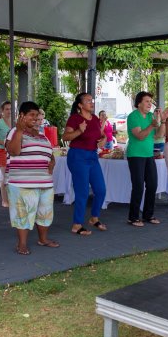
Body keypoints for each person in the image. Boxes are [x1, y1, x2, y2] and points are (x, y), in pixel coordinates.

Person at [4, 101, 59, 255]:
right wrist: (19, 130)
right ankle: (21, 244)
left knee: (45, 213)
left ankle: (43, 239)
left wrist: (52, 161)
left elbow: (49, 153)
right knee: (22, 214)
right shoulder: (14, 132)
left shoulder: (42, 135)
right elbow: (13, 151)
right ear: (22, 116)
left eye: (37, 115)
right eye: (31, 115)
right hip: (22, 183)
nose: (35, 118)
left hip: (45, 183)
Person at [62, 93, 107, 236]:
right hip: (78, 156)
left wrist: (104, 138)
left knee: (101, 190)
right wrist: (79, 131)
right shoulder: (75, 118)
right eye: (88, 101)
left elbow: (100, 135)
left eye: (92, 100)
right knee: (82, 192)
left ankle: (94, 218)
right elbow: (65, 137)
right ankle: (77, 224)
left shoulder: (95, 119)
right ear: (80, 105)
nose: (91, 103)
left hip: (92, 156)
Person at [127, 91, 161, 227]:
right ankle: (133, 217)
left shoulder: (151, 116)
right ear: (139, 103)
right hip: (135, 155)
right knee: (138, 186)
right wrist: (152, 125)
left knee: (152, 185)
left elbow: (159, 135)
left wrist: (162, 121)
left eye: (150, 102)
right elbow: (140, 136)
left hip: (148, 155)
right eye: (147, 101)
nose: (149, 104)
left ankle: (148, 215)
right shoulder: (133, 116)